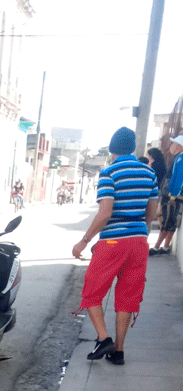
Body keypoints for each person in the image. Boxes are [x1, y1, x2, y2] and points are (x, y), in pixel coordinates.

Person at [72, 127, 158, 366]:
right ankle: (118, 351)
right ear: (132, 148)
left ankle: (103, 338)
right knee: (128, 297)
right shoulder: (149, 174)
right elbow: (151, 213)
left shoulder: (109, 172)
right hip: (139, 242)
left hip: (111, 243)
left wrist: (85, 240)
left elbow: (105, 213)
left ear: (111, 150)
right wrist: (138, 233)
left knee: (91, 292)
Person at [150, 136, 183, 255]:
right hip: (174, 196)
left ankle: (157, 247)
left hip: (172, 197)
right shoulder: (178, 158)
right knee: (170, 222)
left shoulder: (181, 159)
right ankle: (164, 247)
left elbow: (179, 178)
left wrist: (173, 196)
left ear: (179, 146)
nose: (171, 146)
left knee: (166, 222)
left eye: (173, 143)